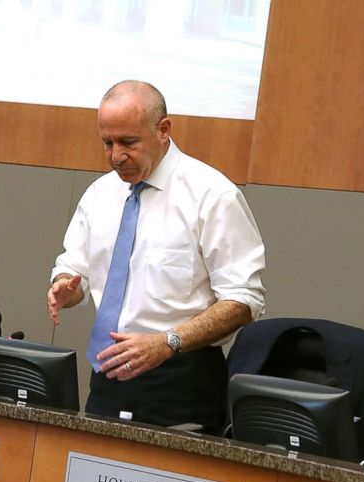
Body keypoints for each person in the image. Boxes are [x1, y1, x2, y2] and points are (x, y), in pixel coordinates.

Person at [48, 80, 265, 433]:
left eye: (128, 142)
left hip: (182, 383)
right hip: (107, 378)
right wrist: (65, 287)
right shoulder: (100, 194)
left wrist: (168, 342)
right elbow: (74, 268)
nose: (116, 156)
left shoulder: (212, 195)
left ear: (163, 130)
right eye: (107, 143)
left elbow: (244, 299)